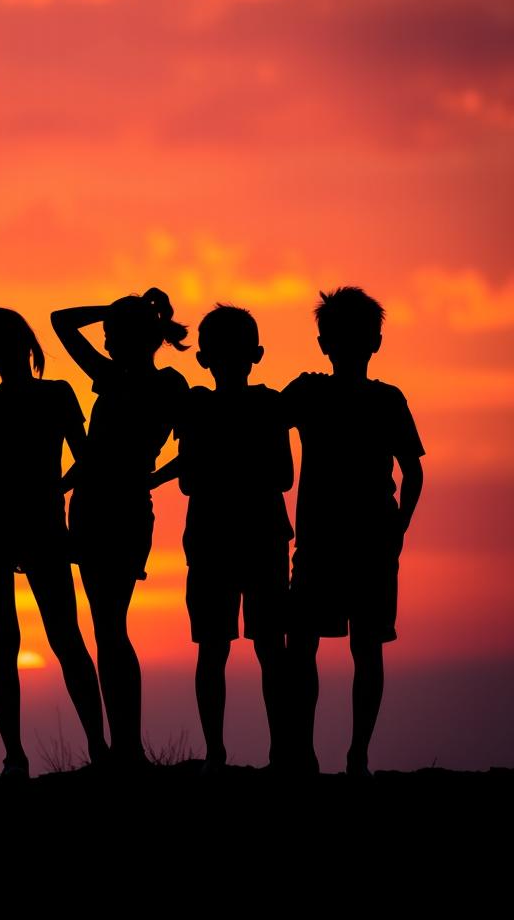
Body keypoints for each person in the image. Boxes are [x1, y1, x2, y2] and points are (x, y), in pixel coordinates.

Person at [282, 287, 425, 776]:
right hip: (347, 543)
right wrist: (399, 528)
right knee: (346, 646)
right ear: (375, 342)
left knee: (324, 645)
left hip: (345, 543)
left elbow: (414, 471)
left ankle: (337, 754)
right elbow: (414, 474)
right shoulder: (335, 394)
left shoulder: (316, 393)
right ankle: (341, 755)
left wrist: (398, 529)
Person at [51, 289, 190, 769]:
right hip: (107, 505)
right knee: (109, 627)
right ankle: (124, 747)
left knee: (109, 629)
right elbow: (97, 455)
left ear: (130, 339)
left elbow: (61, 319)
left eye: (111, 335)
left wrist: (107, 308)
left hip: (112, 508)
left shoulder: (122, 380)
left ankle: (126, 747)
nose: (106, 343)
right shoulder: (154, 383)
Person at [0, 308, 107, 776]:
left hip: (6, 524)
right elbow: (86, 460)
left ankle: (20, 757)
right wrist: (56, 490)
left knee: (14, 640)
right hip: (24, 524)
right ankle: (89, 750)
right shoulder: (52, 395)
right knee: (59, 637)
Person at [161, 305, 292, 773]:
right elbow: (279, 475)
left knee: (232, 650)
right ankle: (257, 753)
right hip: (244, 539)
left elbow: (194, 480)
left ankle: (239, 753)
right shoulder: (263, 405)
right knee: (253, 649)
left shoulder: (207, 408)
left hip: (228, 539)